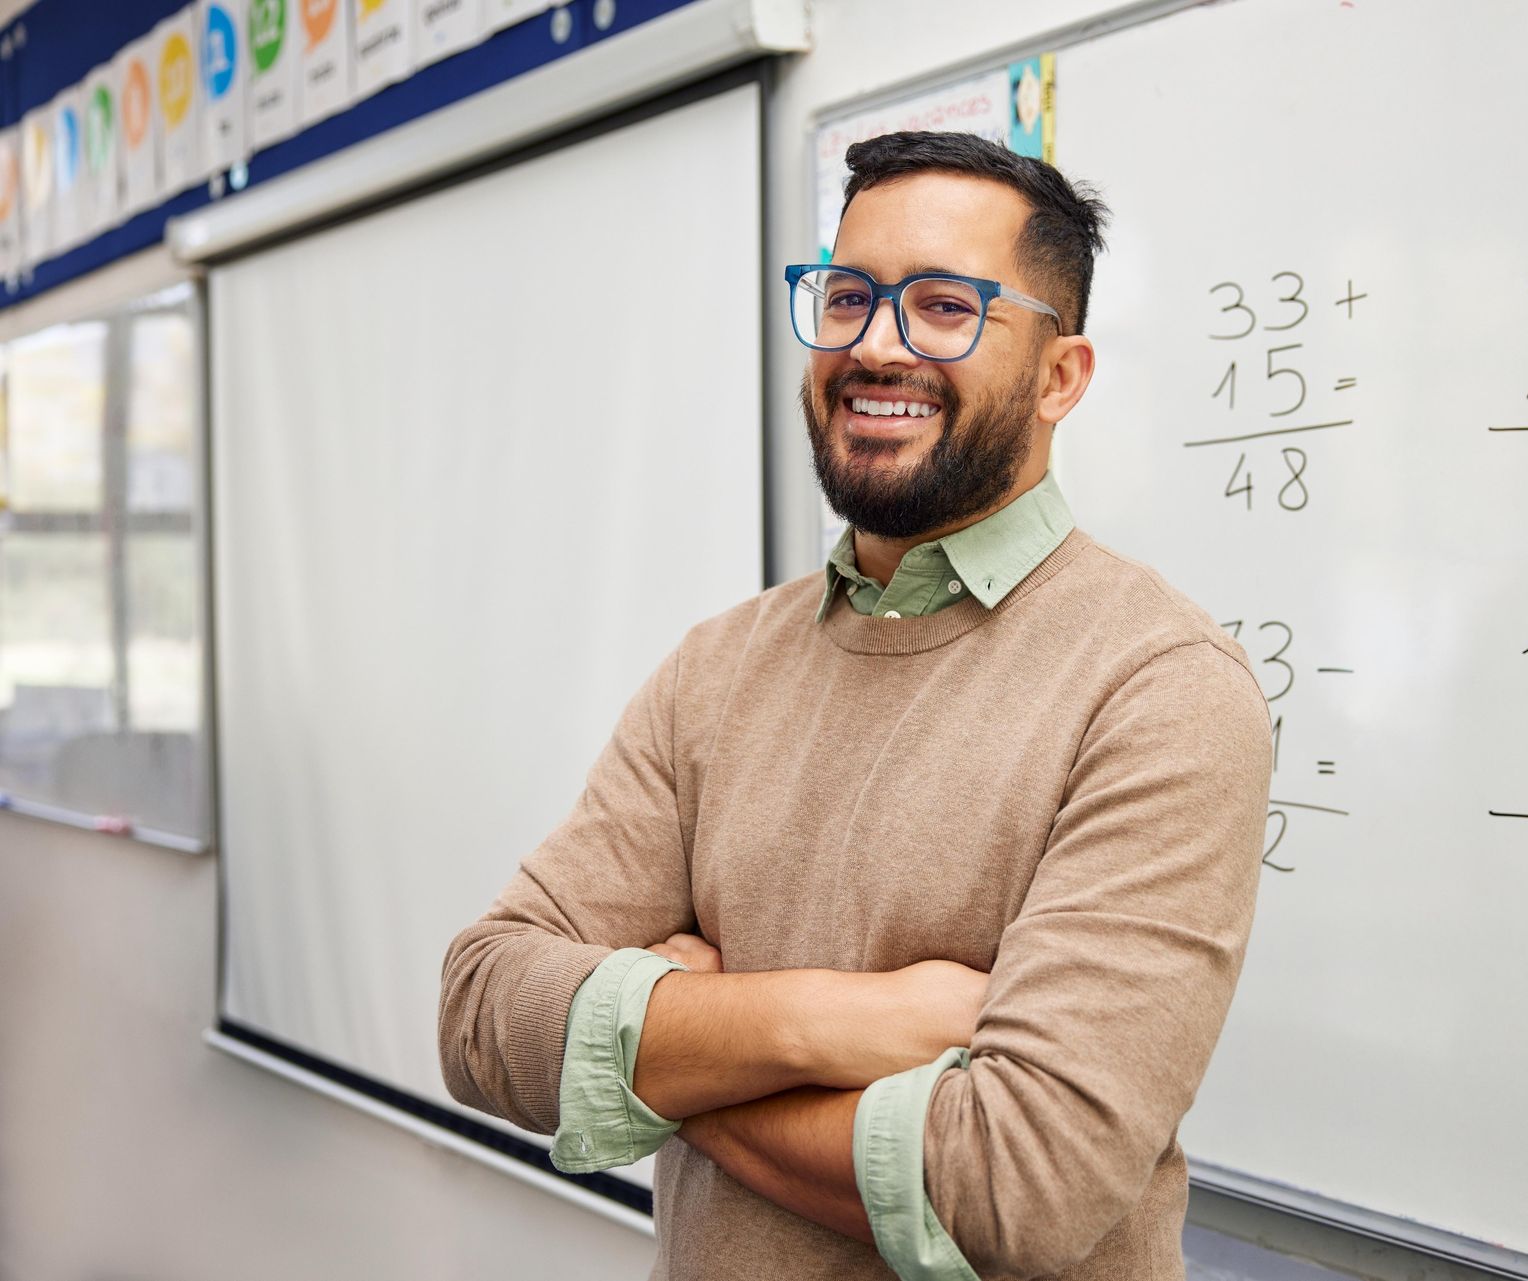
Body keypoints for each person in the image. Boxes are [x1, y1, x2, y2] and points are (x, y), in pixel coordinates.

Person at [439, 130, 1270, 1280]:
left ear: (1058, 377)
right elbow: (486, 1013)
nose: (877, 346)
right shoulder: (716, 668)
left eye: (944, 308)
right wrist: (823, 1023)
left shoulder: (1159, 688)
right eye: (846, 297)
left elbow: (1012, 1184)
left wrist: (671, 1044)